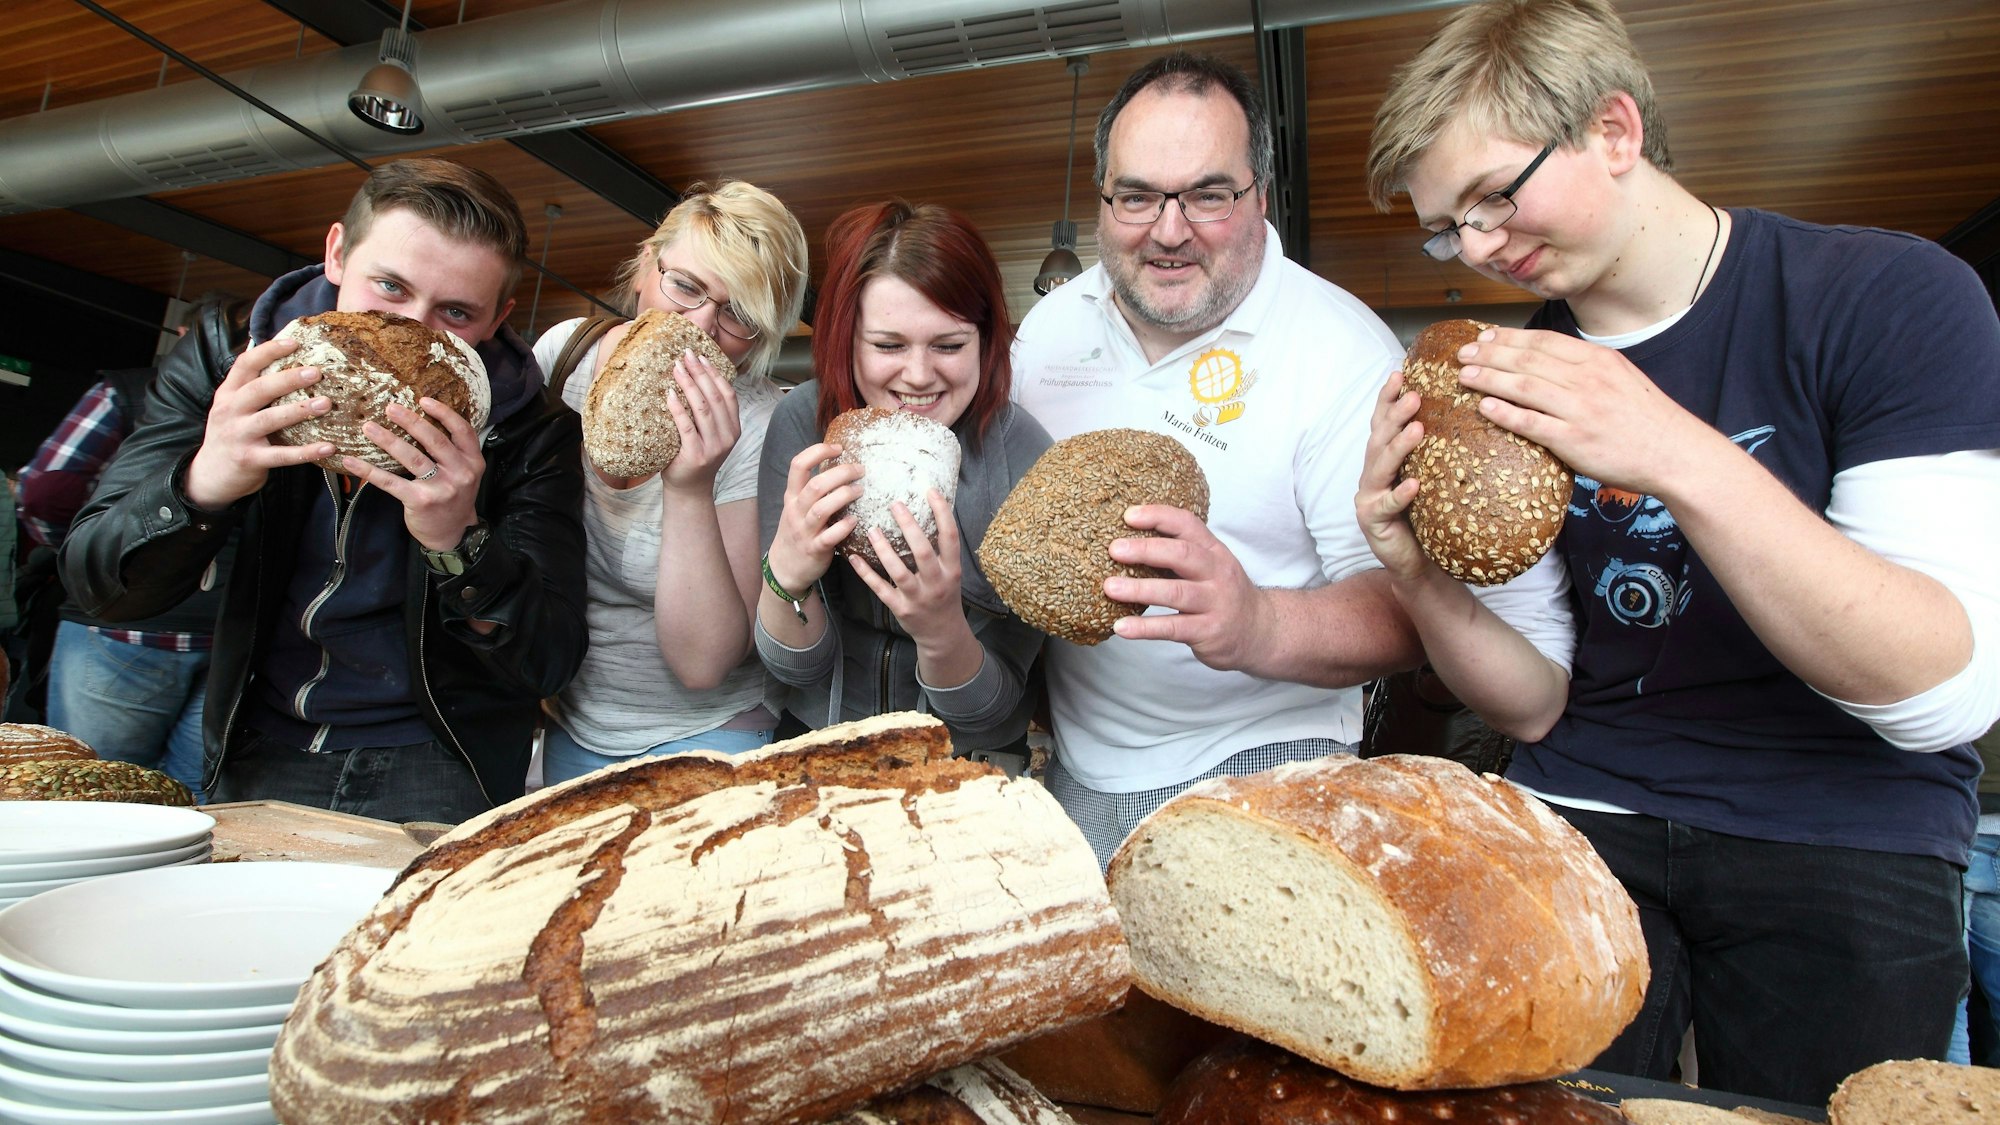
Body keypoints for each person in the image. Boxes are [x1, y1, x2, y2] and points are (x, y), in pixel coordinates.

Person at [1361, 0, 2000, 1103]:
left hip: (1846, 818)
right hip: (1590, 802)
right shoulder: (1509, 379)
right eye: (1441, 226)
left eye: (1491, 197)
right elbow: (1530, 708)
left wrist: (1669, 449)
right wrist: (1412, 571)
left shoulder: (1888, 298)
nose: (1472, 248)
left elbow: (1937, 694)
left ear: (1614, 131)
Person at [1009, 51, 1570, 864]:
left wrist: (1257, 622)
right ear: (1103, 198)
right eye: (1136, 196)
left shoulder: (1340, 351)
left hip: (1271, 766)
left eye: (1208, 194)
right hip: (1077, 771)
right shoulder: (1049, 330)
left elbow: (1407, 605)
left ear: (1260, 196)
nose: (1169, 230)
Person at [60, 158, 589, 824]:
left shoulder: (529, 426)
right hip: (261, 736)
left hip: (438, 753)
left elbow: (549, 659)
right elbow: (99, 585)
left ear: (497, 318)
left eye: (455, 312)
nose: (414, 331)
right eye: (389, 287)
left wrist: (460, 542)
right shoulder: (231, 361)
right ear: (337, 253)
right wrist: (204, 481)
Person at [756, 201, 1052, 772]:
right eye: (888, 346)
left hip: (967, 766)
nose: (918, 375)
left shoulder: (1024, 455)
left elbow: (994, 713)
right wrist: (786, 574)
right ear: (847, 339)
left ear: (987, 340)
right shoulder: (803, 424)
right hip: (818, 753)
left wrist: (942, 631)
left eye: (948, 345)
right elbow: (794, 669)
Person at [530, 181, 809, 784]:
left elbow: (705, 663)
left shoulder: (757, 423)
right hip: (571, 722)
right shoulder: (566, 359)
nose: (702, 326)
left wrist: (691, 488)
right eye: (685, 287)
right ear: (642, 270)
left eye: (738, 315)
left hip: (708, 735)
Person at [15, 299, 249, 802]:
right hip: (231, 633)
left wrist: (80, 555)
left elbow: (45, 490)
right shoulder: (290, 399)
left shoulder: (124, 391)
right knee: (191, 809)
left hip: (119, 626)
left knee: (88, 798)